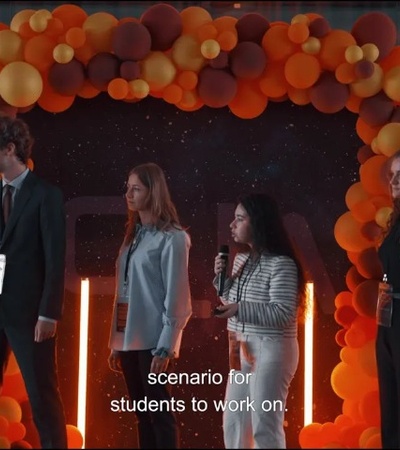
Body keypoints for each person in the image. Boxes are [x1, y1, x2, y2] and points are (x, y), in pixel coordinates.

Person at [108, 162, 192, 449]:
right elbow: (124, 293)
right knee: (142, 415)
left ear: (153, 192)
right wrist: (117, 342)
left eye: (136, 188)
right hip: (130, 338)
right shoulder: (133, 236)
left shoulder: (174, 238)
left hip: (153, 339)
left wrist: (166, 345)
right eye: (127, 188)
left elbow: (178, 296)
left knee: (159, 415)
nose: (128, 195)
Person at [213, 192, 306, 449]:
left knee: (264, 425)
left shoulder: (282, 264)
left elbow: (283, 313)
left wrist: (238, 309)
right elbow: (229, 302)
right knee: (233, 424)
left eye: (240, 219)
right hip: (241, 346)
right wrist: (221, 282)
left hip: (271, 348)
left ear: (259, 223)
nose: (232, 225)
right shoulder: (242, 259)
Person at [0, 114, 67, 448]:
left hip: (31, 315)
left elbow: (56, 260)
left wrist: (48, 313)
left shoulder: (45, 195)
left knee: (42, 393)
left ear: (10, 149)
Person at [376, 149, 400, 448]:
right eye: (392, 175)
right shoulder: (395, 219)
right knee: (391, 405)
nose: (394, 180)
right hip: (388, 318)